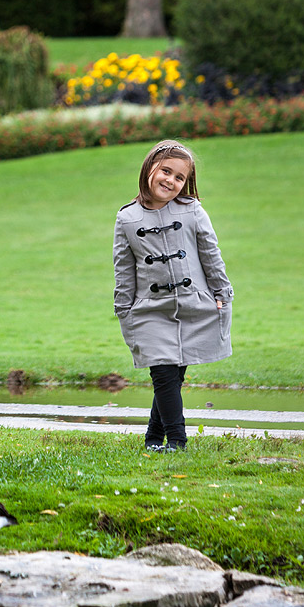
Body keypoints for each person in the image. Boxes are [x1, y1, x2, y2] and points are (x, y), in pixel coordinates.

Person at [112, 139, 233, 452]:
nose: (171, 180)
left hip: (193, 303)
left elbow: (210, 252)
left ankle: (154, 439)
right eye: (166, 171)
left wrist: (222, 291)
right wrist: (123, 309)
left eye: (180, 177)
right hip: (149, 309)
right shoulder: (127, 218)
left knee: (171, 376)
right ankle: (177, 442)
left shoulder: (191, 210)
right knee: (163, 373)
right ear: (150, 168)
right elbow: (124, 269)